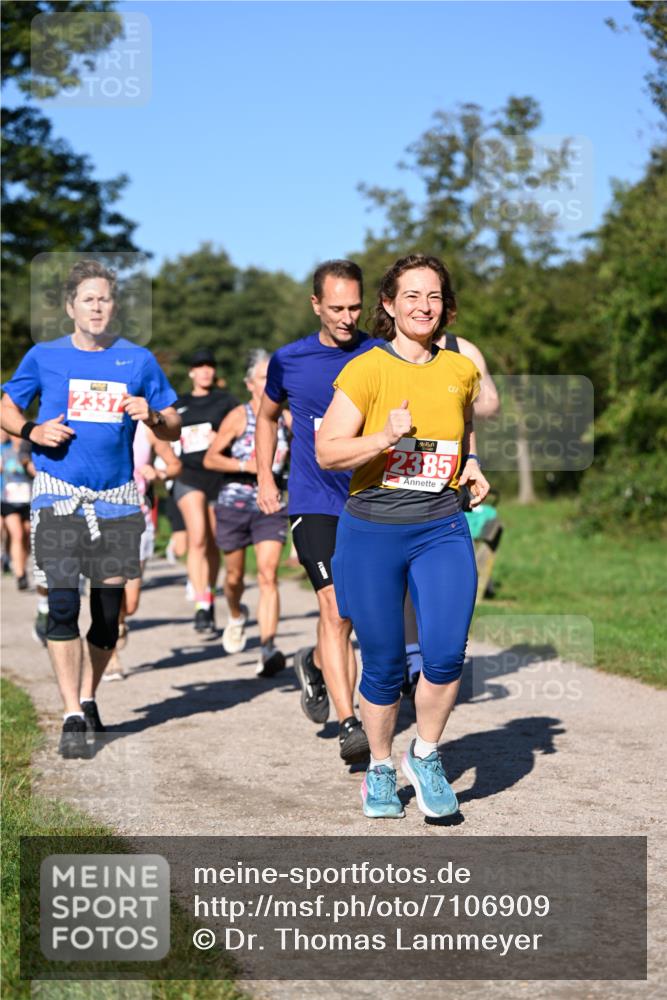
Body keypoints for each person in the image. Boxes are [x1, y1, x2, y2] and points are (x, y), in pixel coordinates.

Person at [316, 253, 489, 817]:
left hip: (440, 525)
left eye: (434, 296)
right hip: (372, 530)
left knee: (445, 654)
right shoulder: (367, 369)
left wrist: (473, 466)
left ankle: (428, 754)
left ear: (446, 307)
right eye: (411, 296)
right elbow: (328, 450)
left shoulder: (460, 369)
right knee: (386, 664)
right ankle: (381, 769)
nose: (424, 306)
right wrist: (382, 439)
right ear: (388, 305)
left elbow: (460, 437)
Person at [1, 259, 180, 758]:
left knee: (105, 617)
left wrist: (156, 416)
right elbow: (7, 405)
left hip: (118, 498)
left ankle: (89, 694)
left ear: (114, 305)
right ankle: (71, 714)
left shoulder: (138, 360)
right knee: (62, 604)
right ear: (70, 307)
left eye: (104, 298)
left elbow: (174, 424)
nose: (97, 306)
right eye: (88, 299)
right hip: (58, 493)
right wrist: (31, 431)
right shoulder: (44, 356)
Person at [256, 260, 379, 764]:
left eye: (354, 307)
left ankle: (313, 662)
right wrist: (265, 476)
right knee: (337, 608)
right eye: (336, 309)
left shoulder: (380, 353)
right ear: (315, 305)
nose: (347, 318)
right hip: (313, 499)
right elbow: (265, 417)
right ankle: (351, 723)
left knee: (366, 615)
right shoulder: (289, 360)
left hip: (371, 500)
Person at [204, 349, 291, 676]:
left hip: (271, 506)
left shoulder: (287, 417)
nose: (270, 383)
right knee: (234, 577)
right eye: (263, 378)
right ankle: (237, 614)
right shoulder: (239, 416)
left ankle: (267, 647)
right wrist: (247, 465)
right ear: (250, 384)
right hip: (235, 504)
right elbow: (211, 458)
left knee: (269, 575)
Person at [104, 421, 183, 680]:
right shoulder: (98, 422)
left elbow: (174, 465)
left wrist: (159, 474)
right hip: (104, 519)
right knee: (109, 591)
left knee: (132, 602)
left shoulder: (145, 429)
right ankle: (112, 656)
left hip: (140, 521)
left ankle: (121, 622)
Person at [174, 348, 237, 634]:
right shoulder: (179, 403)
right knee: (197, 537)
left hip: (218, 476)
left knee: (213, 542)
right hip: (188, 475)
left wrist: (220, 439)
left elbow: (242, 434)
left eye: (210, 366)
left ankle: (208, 597)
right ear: (191, 372)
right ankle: (200, 604)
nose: (205, 371)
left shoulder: (226, 402)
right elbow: (165, 435)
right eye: (199, 366)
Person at [0, 430, 33, 589]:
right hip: (9, 500)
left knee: (26, 536)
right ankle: (20, 575)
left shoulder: (31, 454)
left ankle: (21, 564)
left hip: (28, 500)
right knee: (17, 534)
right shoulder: (5, 453)